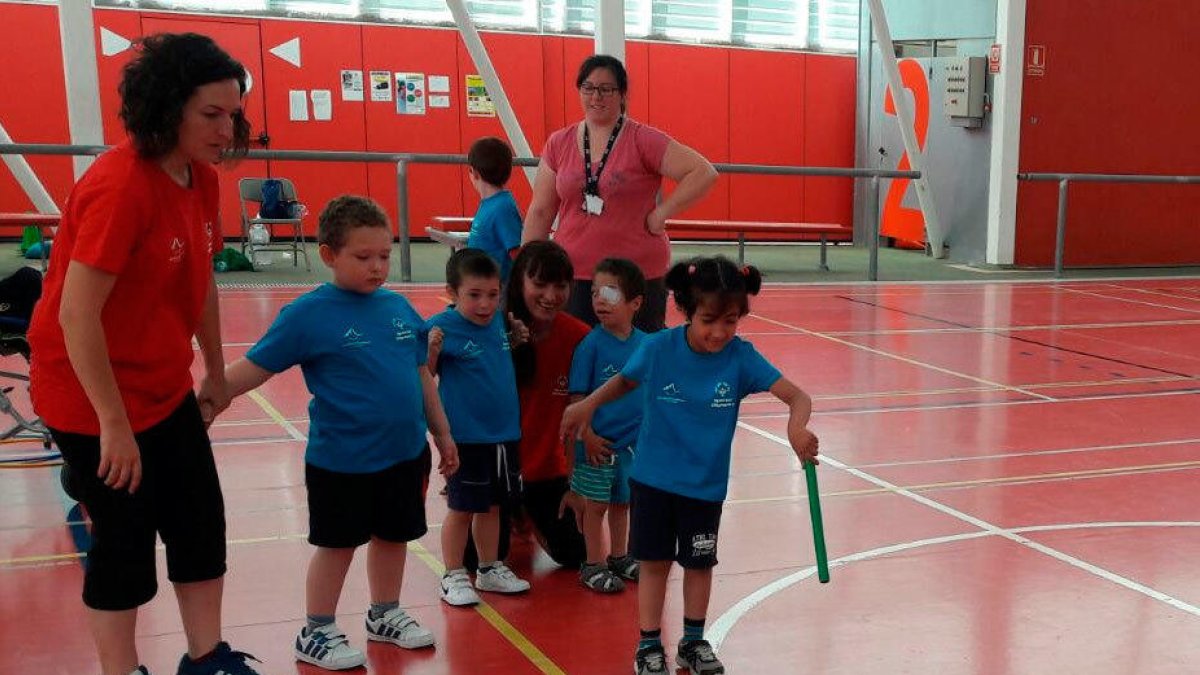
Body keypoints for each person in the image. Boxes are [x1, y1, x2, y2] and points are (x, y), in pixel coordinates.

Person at [26, 32, 261, 675]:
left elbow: (201, 282)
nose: (225, 128)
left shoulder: (201, 180)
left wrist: (215, 370)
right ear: (167, 108)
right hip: (88, 395)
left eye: (232, 113)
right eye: (210, 114)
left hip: (163, 387)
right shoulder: (120, 187)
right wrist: (112, 424)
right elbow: (77, 315)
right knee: (125, 544)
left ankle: (207, 658)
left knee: (198, 523)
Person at [222, 195, 459, 670]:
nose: (377, 267)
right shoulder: (307, 315)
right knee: (337, 545)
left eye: (384, 256)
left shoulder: (398, 310)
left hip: (403, 454)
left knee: (394, 537)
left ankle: (385, 613)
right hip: (342, 461)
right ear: (330, 255)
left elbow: (420, 378)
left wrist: (443, 434)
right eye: (363, 257)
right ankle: (317, 629)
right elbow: (252, 369)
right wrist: (200, 403)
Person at [560, 256, 820, 675]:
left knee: (700, 564)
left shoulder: (741, 357)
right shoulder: (658, 347)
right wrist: (588, 405)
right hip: (654, 481)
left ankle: (693, 643)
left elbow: (797, 397)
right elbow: (625, 380)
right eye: (709, 320)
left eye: (730, 321)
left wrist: (796, 430)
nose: (719, 332)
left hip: (705, 486)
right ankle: (648, 645)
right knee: (655, 563)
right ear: (686, 310)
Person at [522, 54, 718, 333]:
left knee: (638, 358)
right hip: (575, 275)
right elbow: (541, 210)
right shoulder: (559, 143)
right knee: (578, 354)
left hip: (635, 276)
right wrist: (528, 269)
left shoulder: (642, 140)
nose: (596, 96)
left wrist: (660, 214)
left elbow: (703, 172)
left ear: (622, 94)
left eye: (606, 89)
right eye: (588, 88)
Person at [426, 248, 532, 606]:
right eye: (474, 295)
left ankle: (489, 568)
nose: (485, 304)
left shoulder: (500, 323)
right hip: (467, 437)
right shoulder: (443, 327)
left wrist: (514, 335)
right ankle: (453, 574)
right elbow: (425, 374)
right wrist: (431, 351)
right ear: (452, 292)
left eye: (492, 294)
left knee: (494, 506)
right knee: (462, 507)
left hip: (504, 434)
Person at [504, 241, 589, 568]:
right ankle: (513, 513)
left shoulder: (579, 337)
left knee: (576, 555)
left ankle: (530, 513)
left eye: (560, 286)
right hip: (500, 469)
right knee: (479, 558)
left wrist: (577, 484)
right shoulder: (493, 332)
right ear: (519, 284)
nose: (551, 295)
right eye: (539, 284)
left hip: (548, 473)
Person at [566, 258, 646, 593]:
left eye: (610, 292)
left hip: (631, 446)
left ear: (635, 303)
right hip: (597, 445)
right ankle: (593, 565)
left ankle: (619, 556)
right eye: (596, 292)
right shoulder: (590, 346)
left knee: (622, 502)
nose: (599, 299)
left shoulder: (646, 345)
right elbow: (576, 402)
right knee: (595, 506)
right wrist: (588, 436)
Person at [465, 137, 523, 285]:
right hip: (482, 282)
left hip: (497, 288)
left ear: (474, 172)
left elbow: (516, 251)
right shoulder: (490, 204)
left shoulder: (503, 207)